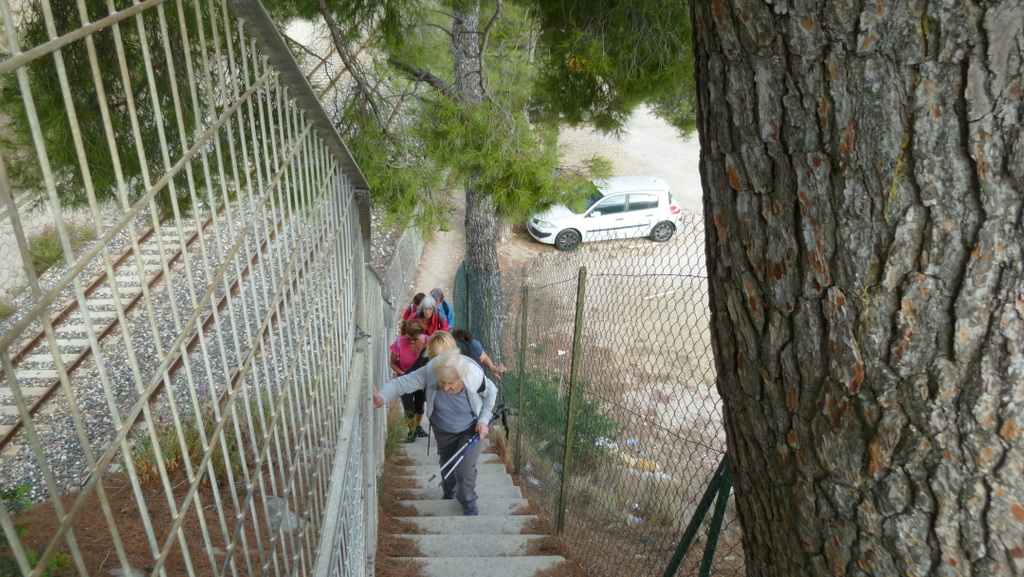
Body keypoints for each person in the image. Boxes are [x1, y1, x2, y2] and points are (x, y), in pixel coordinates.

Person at [373, 348, 498, 516]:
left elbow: (491, 393)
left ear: (461, 377)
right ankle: (449, 491)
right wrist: (382, 397)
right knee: (446, 461)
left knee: (465, 468)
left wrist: (483, 419)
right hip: (442, 427)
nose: (445, 388)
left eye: (451, 383)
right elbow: (400, 384)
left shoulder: (473, 375)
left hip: (470, 427)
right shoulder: (431, 370)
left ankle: (468, 501)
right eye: (442, 382)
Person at [390, 320, 428, 442]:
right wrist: (404, 374)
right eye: (408, 337)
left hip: (423, 380)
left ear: (421, 333)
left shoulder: (428, 342)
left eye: (415, 338)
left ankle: (418, 426)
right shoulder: (399, 343)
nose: (411, 341)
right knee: (408, 407)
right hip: (405, 380)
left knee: (420, 405)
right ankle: (411, 432)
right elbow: (393, 363)